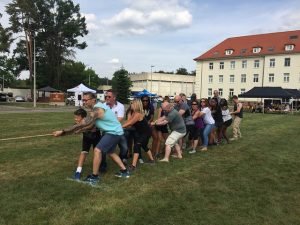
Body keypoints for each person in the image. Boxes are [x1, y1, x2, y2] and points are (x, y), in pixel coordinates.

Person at [75, 99, 130, 185]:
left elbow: (86, 122)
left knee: (97, 150)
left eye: (86, 100)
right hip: (115, 132)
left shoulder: (97, 109)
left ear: (93, 100)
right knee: (111, 152)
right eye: (83, 100)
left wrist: (64, 131)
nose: (84, 102)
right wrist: (82, 129)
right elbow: (91, 125)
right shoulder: (97, 108)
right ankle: (124, 171)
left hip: (113, 132)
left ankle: (94, 177)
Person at [52, 93, 105, 180]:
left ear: (83, 117)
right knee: (84, 152)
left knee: (98, 152)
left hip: (96, 136)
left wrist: (63, 132)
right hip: (87, 137)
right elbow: (72, 130)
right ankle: (78, 171)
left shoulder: (87, 121)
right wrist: (61, 134)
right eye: (75, 117)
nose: (75, 119)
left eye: (77, 118)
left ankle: (101, 167)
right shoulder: (79, 123)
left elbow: (88, 127)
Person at [122, 99, 155, 171]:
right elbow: (129, 121)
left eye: (132, 104)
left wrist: (120, 127)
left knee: (137, 146)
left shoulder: (138, 114)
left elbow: (130, 123)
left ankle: (133, 166)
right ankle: (152, 161)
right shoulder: (134, 113)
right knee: (143, 146)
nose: (131, 105)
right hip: (141, 132)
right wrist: (123, 123)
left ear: (136, 105)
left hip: (146, 132)